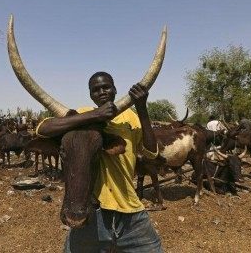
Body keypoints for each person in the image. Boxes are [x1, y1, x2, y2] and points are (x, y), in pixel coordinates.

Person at [36, 72, 163, 252]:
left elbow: (151, 153)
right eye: (95, 90)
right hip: (92, 213)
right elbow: (43, 129)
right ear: (90, 95)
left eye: (106, 87)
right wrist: (95, 115)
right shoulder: (81, 114)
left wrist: (142, 108)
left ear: (115, 89)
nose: (102, 92)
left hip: (130, 211)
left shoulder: (130, 117)